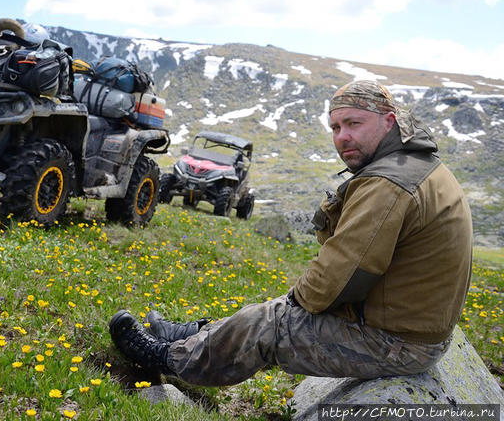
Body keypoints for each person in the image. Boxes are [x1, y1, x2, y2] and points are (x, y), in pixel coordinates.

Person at [109, 80, 473, 386]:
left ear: (388, 121)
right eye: (335, 128)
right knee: (282, 307)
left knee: (272, 322)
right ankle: (192, 335)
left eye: (354, 124)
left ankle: (168, 359)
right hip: (406, 328)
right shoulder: (412, 163)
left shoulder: (389, 182)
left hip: (397, 344)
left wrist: (290, 305)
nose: (343, 137)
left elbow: (341, 278)